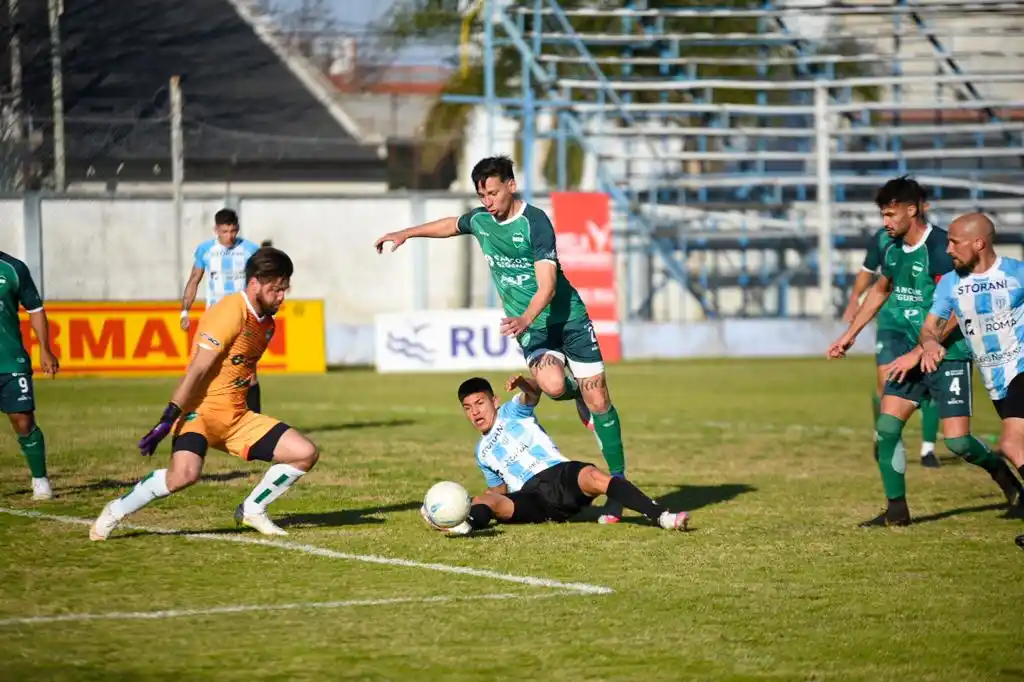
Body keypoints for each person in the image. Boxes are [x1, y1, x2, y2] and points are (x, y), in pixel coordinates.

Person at [375, 155, 629, 524]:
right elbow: (451, 224)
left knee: (601, 398)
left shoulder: (535, 223)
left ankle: (618, 488)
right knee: (554, 386)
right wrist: (406, 233)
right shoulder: (481, 220)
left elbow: (548, 284)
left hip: (567, 319)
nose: (488, 201)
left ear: (511, 185)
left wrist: (524, 317)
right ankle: (577, 393)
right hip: (536, 330)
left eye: (493, 192)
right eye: (482, 195)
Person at [828, 177, 1022, 527]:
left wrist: (923, 350)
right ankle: (897, 512)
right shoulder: (890, 248)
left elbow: (956, 311)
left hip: (949, 353)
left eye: (890, 214)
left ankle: (1006, 480)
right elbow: (880, 289)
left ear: (912, 210)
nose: (885, 222)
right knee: (887, 428)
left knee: (959, 442)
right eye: (883, 215)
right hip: (909, 350)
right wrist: (850, 334)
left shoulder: (941, 249)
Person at [89, 248, 319, 540]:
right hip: (200, 415)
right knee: (183, 476)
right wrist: (167, 417)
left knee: (305, 453)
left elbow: (242, 372)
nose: (282, 296)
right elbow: (197, 370)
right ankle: (116, 509)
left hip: (237, 417)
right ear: (255, 283)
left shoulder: (267, 324)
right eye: (276, 289)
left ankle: (252, 510)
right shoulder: (230, 312)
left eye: (285, 289)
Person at [422, 375, 689, 536]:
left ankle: (660, 515)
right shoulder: (482, 452)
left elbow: (534, 393)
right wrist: (483, 502)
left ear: (495, 401)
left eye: (480, 403)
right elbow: (499, 491)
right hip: (532, 498)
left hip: (560, 476)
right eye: (468, 408)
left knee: (593, 475)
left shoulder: (512, 412)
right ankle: (462, 522)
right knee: (486, 499)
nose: (475, 412)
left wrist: (523, 383)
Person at [922, 213, 1024, 539]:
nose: (948, 248)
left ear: (978, 243)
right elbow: (930, 326)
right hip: (996, 381)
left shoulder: (1017, 273)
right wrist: (928, 344)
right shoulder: (951, 283)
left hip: (1021, 369)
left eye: (954, 241)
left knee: (1011, 443)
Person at [843, 226, 941, 468]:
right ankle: (884, 436)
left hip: (923, 323)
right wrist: (855, 299)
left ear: (919, 206)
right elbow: (869, 273)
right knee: (885, 380)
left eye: (890, 211)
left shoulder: (938, 241)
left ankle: (928, 449)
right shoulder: (883, 238)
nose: (887, 218)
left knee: (929, 384)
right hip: (890, 322)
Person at [180, 208, 263, 412]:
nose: (229, 236)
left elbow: (261, 281)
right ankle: (194, 416)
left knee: (249, 373)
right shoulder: (205, 250)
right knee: (201, 368)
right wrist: (185, 311)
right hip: (215, 318)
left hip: (243, 317)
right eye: (225, 231)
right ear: (216, 229)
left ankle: (256, 423)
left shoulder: (251, 250)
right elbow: (194, 280)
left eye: (233, 231)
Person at [0, 252, 59, 500]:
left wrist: (45, 349)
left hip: (10, 359)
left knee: (23, 420)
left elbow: (35, 308)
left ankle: (40, 479)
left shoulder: (13, 268)